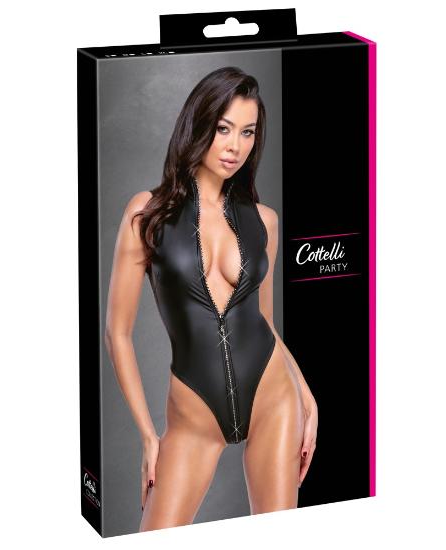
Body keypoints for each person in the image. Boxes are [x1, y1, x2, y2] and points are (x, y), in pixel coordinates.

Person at [104, 66, 318, 532]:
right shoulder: (146, 214)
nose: (235, 146)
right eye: (224, 128)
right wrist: (147, 435)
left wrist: (306, 394)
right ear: (199, 124)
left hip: (272, 397)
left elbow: (264, 321)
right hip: (194, 416)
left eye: (247, 132)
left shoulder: (264, 220)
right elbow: (117, 333)